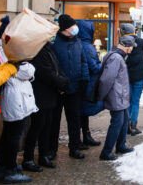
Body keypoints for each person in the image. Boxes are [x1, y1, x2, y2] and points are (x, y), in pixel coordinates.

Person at [23, 42, 69, 172]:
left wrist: (62, 82)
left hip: (50, 94)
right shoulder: (36, 50)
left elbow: (57, 68)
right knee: (37, 126)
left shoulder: (49, 48)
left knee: (47, 126)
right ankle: (28, 158)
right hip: (40, 94)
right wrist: (61, 82)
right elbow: (45, 72)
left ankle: (43, 155)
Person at [51, 14, 89, 160]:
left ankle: (74, 147)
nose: (75, 29)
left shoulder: (77, 41)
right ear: (65, 29)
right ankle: (51, 149)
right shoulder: (54, 44)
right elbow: (53, 66)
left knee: (74, 120)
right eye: (73, 27)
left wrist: (84, 79)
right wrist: (59, 83)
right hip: (59, 89)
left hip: (75, 87)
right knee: (54, 121)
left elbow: (83, 61)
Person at [97, 36, 136, 161]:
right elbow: (107, 79)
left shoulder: (116, 56)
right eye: (131, 47)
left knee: (124, 121)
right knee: (117, 123)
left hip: (120, 96)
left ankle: (121, 146)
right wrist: (102, 96)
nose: (131, 49)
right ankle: (106, 152)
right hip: (116, 96)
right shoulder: (116, 57)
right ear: (126, 46)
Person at [77, 21, 104, 147]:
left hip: (85, 83)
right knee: (82, 111)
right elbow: (94, 67)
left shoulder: (82, 44)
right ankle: (82, 138)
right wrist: (102, 65)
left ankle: (85, 136)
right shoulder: (86, 46)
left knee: (82, 112)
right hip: (87, 84)